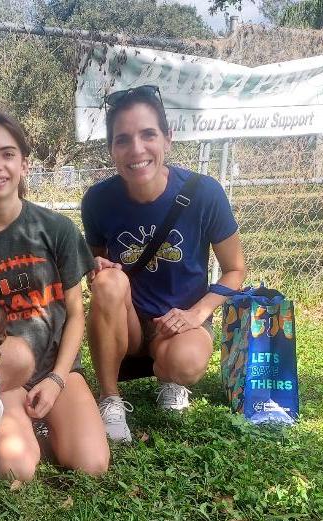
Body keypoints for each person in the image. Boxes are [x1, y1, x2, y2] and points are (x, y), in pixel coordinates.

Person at [0, 112, 109, 481]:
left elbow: (77, 314)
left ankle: (48, 422)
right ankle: (23, 427)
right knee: (16, 469)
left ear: (24, 164)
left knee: (91, 464)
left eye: (7, 153)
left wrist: (58, 378)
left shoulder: (56, 229)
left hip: (57, 369)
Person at [83, 85, 247, 442]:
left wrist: (197, 314)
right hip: (128, 325)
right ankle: (109, 398)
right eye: (122, 139)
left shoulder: (205, 192)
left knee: (185, 362)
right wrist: (96, 267)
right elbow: (100, 267)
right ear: (111, 149)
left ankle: (169, 378)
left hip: (180, 322)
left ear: (168, 139)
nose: (136, 149)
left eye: (148, 135)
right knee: (108, 284)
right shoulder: (98, 200)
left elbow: (236, 269)